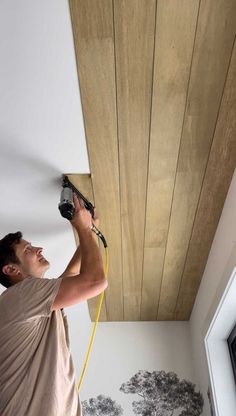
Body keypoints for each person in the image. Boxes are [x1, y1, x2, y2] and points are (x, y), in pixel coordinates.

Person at [0, 194, 107, 416]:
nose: (39, 248)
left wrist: (88, 230)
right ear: (11, 270)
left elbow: (71, 275)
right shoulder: (21, 295)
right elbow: (95, 282)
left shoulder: (27, 301)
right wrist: (84, 230)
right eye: (28, 249)